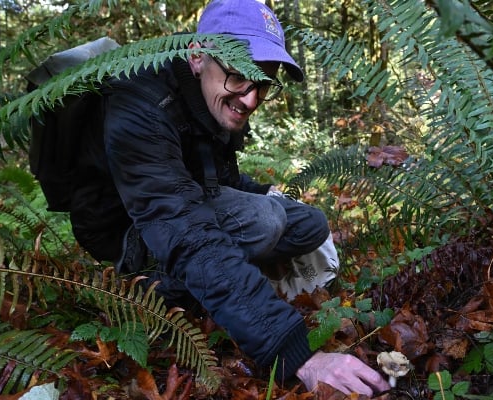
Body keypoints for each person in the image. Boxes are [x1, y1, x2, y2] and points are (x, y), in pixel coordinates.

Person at [67, 0, 390, 396]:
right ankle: (149, 289)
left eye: (263, 84)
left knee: (309, 222)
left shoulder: (213, 97)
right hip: (126, 231)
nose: (251, 100)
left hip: (179, 206)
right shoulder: (140, 102)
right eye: (239, 77)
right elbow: (184, 227)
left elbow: (215, 179)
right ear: (198, 55)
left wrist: (262, 191)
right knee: (265, 221)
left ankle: (228, 285)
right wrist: (298, 355)